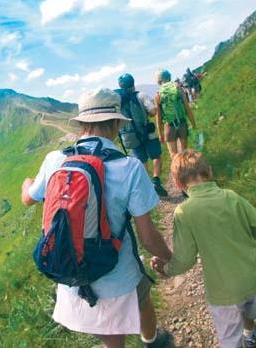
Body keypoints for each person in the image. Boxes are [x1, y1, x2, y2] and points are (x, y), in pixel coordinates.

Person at [22, 89, 173, 348]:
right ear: (115, 123)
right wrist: (171, 258)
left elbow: (29, 198)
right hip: (116, 272)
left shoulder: (55, 160)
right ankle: (152, 341)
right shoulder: (130, 167)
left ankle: (151, 340)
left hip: (70, 268)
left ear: (82, 123)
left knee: (112, 333)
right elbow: (148, 239)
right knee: (140, 296)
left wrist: (26, 184)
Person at [151, 150, 256, 348]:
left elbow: (185, 259)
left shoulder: (185, 211)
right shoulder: (231, 197)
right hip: (252, 276)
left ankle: (247, 336)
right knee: (249, 312)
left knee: (230, 340)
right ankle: (250, 334)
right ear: (210, 171)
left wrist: (166, 269)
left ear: (178, 183)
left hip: (222, 290)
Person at [115, 73, 168, 197]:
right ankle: (156, 180)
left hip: (130, 137)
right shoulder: (141, 95)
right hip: (147, 133)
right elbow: (153, 111)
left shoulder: (119, 101)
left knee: (142, 161)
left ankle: (147, 186)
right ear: (133, 84)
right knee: (156, 156)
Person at [155, 69, 197, 159]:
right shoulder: (178, 89)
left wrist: (160, 133)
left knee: (174, 155)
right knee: (184, 153)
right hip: (182, 123)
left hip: (169, 126)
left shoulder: (158, 94)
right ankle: (187, 170)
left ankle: (177, 172)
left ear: (159, 81)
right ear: (169, 77)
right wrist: (193, 123)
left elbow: (158, 117)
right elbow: (187, 108)